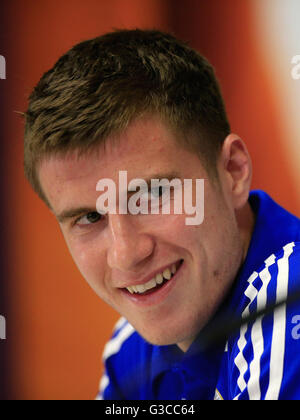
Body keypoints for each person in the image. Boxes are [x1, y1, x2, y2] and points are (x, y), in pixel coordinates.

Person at [23, 29, 300, 400]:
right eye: (90, 218)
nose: (127, 254)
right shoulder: (130, 352)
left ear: (233, 171)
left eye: (150, 195)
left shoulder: (289, 310)